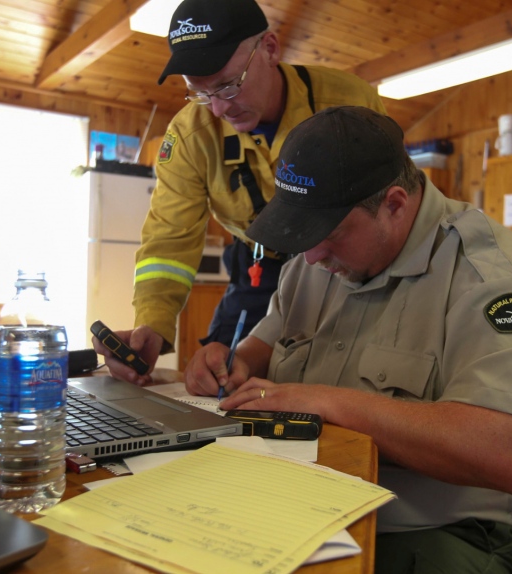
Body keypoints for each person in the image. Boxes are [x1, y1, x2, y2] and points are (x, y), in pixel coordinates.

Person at [184, 106, 512, 573]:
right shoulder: (314, 263)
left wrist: (329, 403)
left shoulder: (492, 279)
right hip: (297, 498)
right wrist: (235, 362)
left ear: (394, 204)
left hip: (429, 527)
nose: (310, 256)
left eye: (329, 233)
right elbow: (265, 345)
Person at [95, 0, 387, 383]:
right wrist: (153, 325)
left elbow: (386, 207)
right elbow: (169, 241)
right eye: (199, 93)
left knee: (338, 372)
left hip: (338, 262)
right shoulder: (189, 136)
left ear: (269, 48)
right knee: (218, 377)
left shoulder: (349, 103)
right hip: (256, 267)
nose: (217, 110)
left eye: (228, 85)